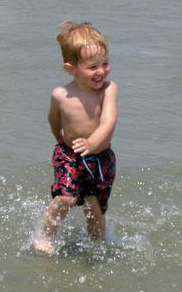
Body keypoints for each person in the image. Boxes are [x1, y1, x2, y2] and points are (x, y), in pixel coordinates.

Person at [34, 21, 119, 256]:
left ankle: (97, 247)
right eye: (93, 67)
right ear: (71, 68)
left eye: (105, 63)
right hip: (70, 155)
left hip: (100, 158)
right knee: (67, 199)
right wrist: (60, 141)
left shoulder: (108, 90)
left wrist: (92, 143)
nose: (101, 71)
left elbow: (109, 121)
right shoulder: (60, 95)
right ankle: (45, 236)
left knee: (94, 208)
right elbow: (53, 121)